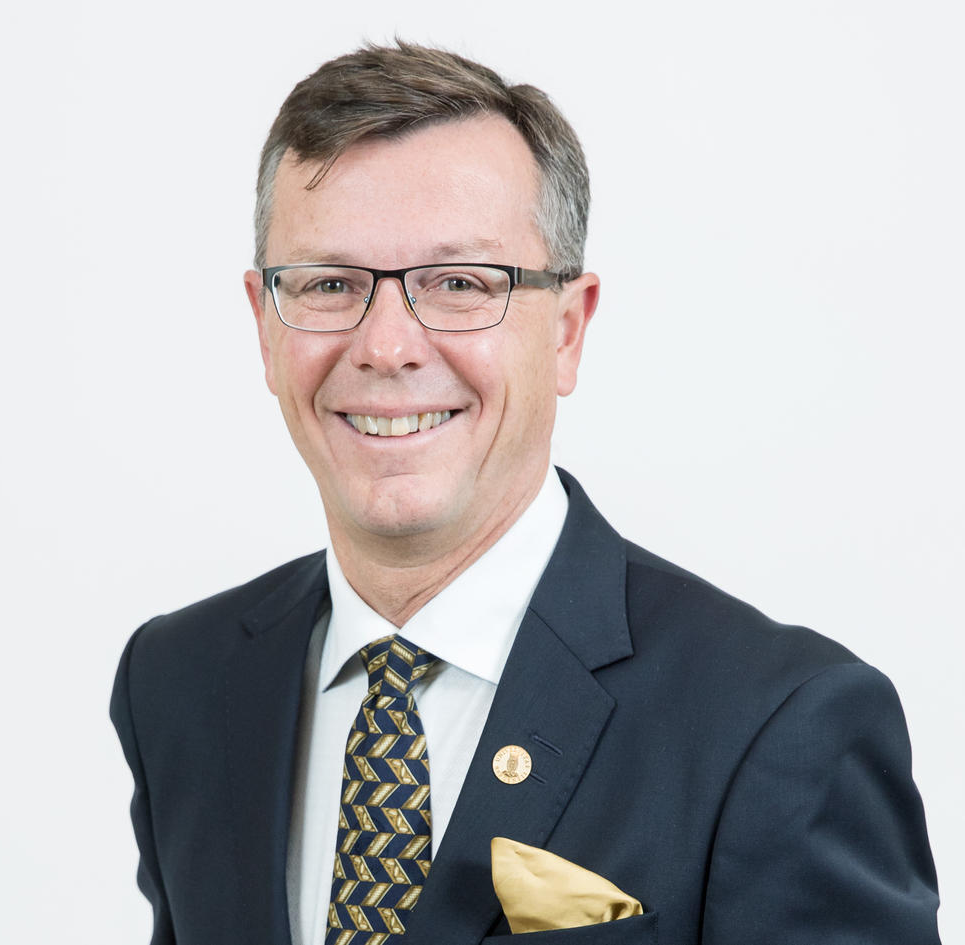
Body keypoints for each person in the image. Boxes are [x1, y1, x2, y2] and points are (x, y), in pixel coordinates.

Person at [110, 41, 941, 945]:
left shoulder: (775, 724)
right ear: (264, 327)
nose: (385, 346)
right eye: (329, 284)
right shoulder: (179, 682)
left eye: (459, 283)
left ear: (567, 330)